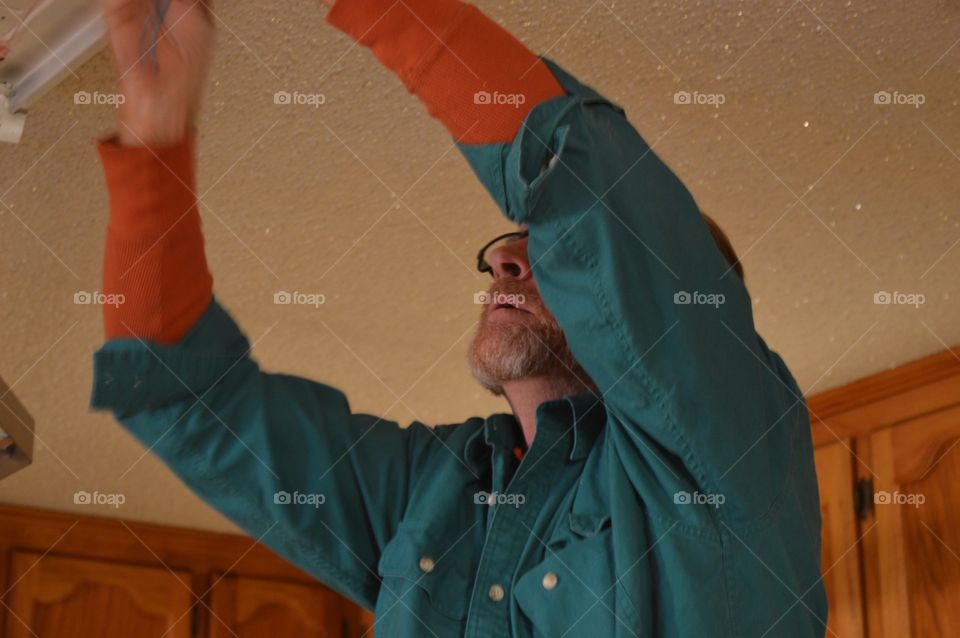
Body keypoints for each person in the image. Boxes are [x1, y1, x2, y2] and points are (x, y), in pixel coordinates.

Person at [91, 0, 828, 635]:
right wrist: (156, 135)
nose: (508, 258)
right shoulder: (435, 494)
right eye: (512, 249)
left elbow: (577, 179)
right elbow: (179, 396)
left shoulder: (726, 449)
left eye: (550, 256)